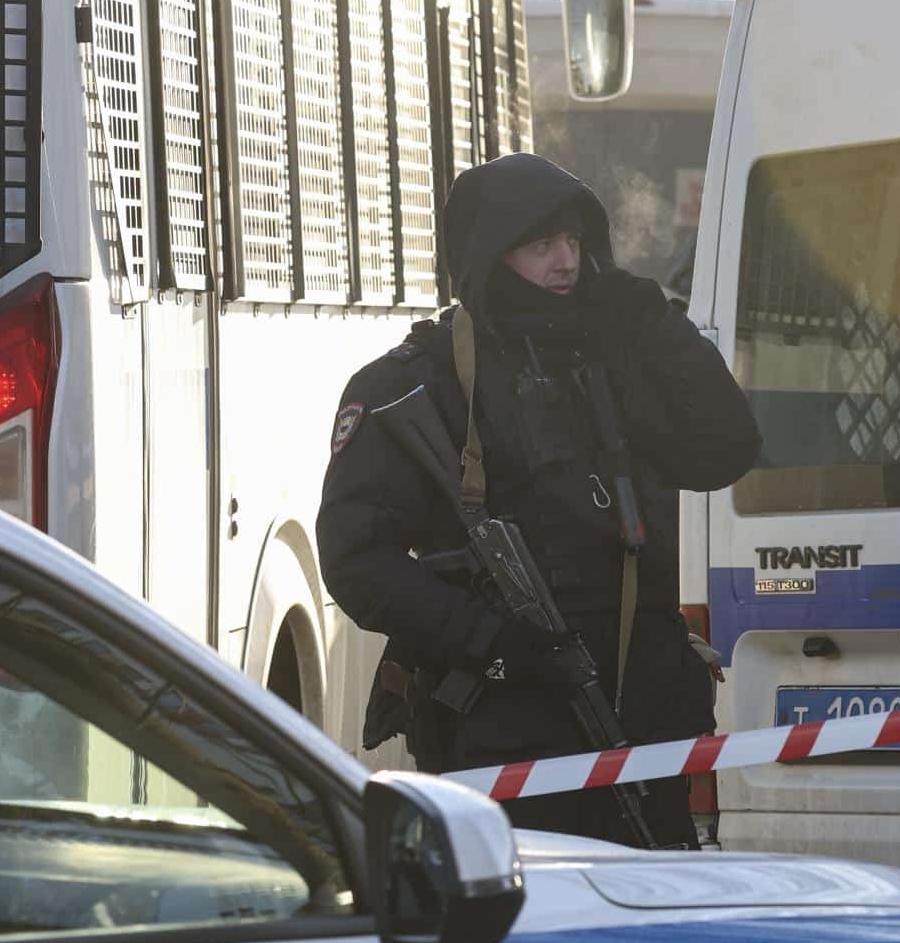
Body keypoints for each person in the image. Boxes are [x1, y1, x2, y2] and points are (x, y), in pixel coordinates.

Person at [317, 154, 761, 847]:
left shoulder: (612, 359)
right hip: (504, 738)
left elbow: (726, 448)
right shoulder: (419, 384)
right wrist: (486, 639)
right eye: (541, 245)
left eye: (575, 243)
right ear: (493, 255)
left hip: (641, 723)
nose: (566, 262)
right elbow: (355, 559)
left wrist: (658, 325)